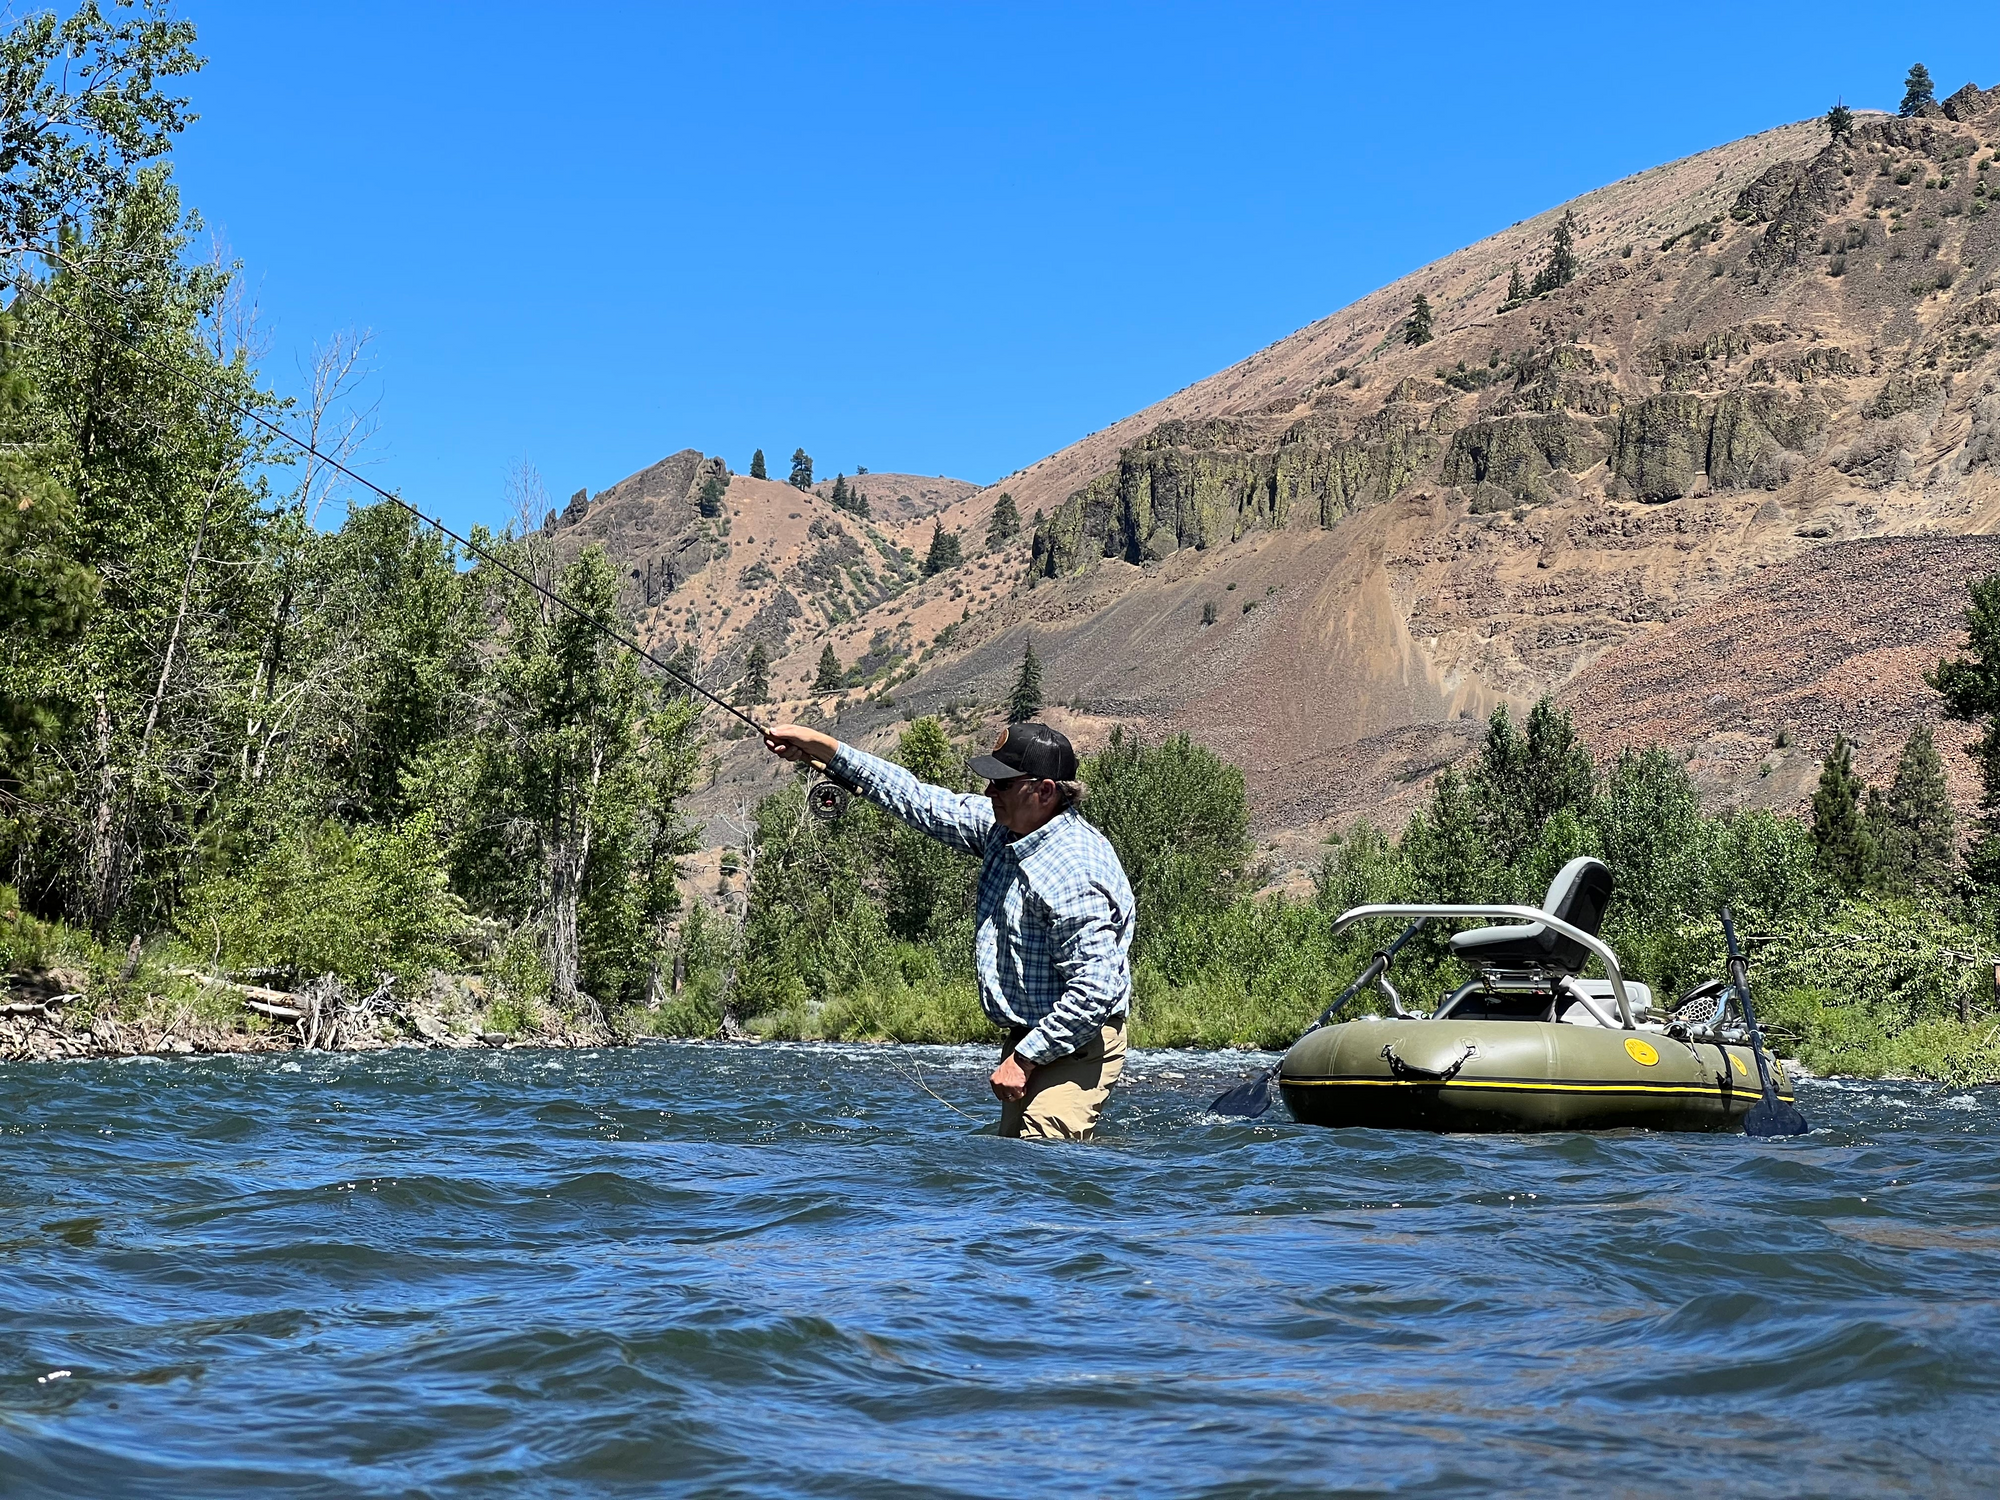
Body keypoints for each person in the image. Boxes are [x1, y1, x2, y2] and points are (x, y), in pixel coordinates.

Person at [761, 719, 1134, 1141]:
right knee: (1013, 1162)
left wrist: (1025, 1058)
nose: (989, 793)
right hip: (1031, 1035)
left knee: (1041, 1156)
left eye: (1003, 785)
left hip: (1079, 1038)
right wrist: (826, 750)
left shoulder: (1074, 870)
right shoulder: (1006, 831)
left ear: (1044, 791)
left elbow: (1096, 990)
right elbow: (916, 799)